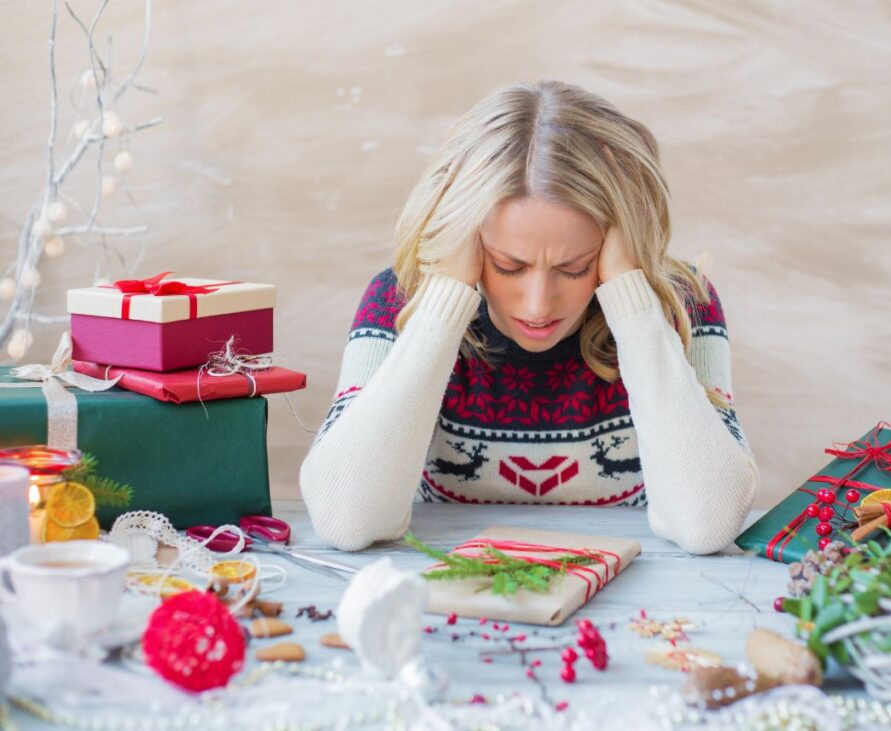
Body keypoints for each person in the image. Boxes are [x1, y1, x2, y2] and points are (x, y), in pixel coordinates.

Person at [300, 79, 758, 554]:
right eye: (508, 266)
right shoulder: (398, 301)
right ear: (469, 240)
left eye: (574, 268)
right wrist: (444, 302)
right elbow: (345, 518)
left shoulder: (683, 303)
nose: (538, 305)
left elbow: (707, 522)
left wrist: (631, 296)